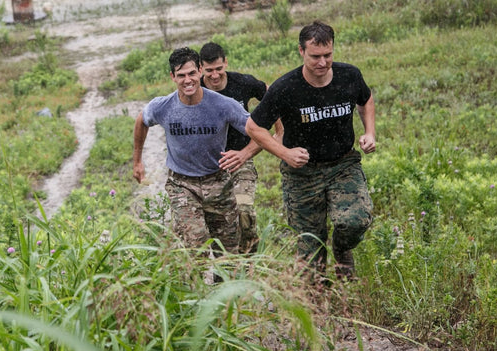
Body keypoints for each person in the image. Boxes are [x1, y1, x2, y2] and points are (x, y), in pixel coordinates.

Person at [246, 21, 375, 280]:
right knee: (310, 247)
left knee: (356, 221)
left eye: (328, 55)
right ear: (301, 52)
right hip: (302, 173)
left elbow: (366, 99)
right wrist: (285, 153)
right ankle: (318, 302)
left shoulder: (349, 75)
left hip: (342, 164)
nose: (322, 62)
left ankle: (342, 250)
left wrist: (369, 132)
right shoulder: (286, 88)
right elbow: (253, 127)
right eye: (315, 56)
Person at [133, 47, 251, 257]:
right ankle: (198, 287)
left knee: (228, 253)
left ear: (199, 72)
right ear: (172, 77)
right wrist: (137, 161)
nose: (187, 80)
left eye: (191, 73)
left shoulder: (223, 105)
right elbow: (142, 121)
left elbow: (257, 130)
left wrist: (246, 153)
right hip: (182, 184)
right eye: (181, 75)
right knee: (196, 246)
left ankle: (225, 287)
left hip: (219, 182)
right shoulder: (163, 106)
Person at [200, 42, 283, 254]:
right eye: (209, 71)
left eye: (219, 69)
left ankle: (251, 262)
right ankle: (224, 270)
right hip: (210, 167)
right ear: (201, 69)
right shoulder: (195, 88)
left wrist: (279, 131)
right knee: (218, 223)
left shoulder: (242, 82)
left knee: (243, 211)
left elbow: (270, 95)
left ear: (226, 63)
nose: (215, 75)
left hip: (241, 160)